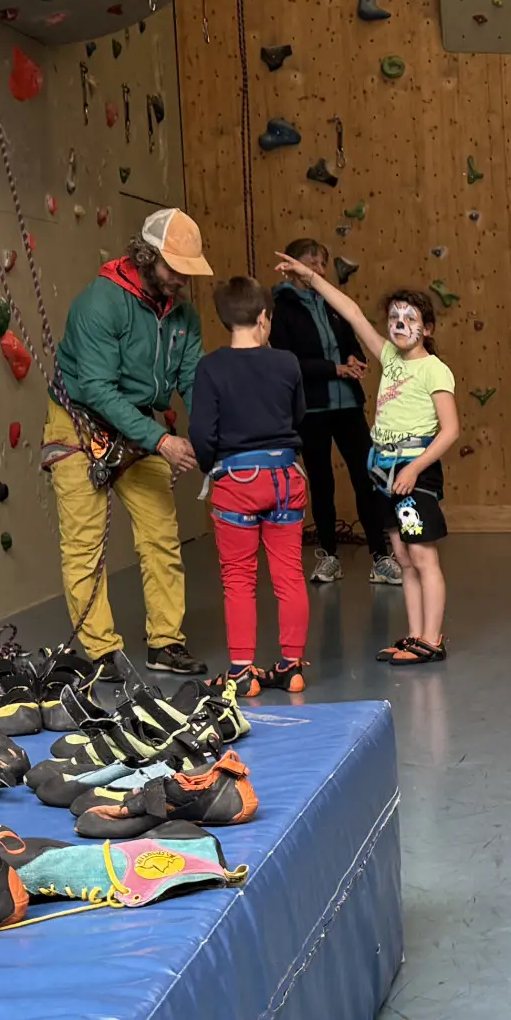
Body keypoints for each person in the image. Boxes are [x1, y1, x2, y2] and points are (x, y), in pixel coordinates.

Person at [47, 207, 208, 677]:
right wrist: (162, 441)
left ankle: (166, 643)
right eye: (173, 267)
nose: (181, 278)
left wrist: (209, 439)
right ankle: (101, 652)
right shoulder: (100, 303)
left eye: (187, 270)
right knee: (84, 545)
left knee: (161, 535)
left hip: (137, 421)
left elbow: (193, 381)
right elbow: (97, 389)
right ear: (146, 255)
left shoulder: (184, 316)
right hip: (78, 420)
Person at [280, 259, 457, 667]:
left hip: (414, 475)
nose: (400, 325)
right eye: (394, 318)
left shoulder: (434, 370)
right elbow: (353, 313)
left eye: (410, 319)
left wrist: (414, 469)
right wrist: (313, 279)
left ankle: (433, 639)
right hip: (385, 475)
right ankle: (416, 635)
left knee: (423, 557)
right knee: (404, 558)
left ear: (427, 328)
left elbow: (450, 430)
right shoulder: (390, 359)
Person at [186, 277, 312, 691]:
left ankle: (242, 672)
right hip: (284, 477)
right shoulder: (287, 363)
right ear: (263, 317)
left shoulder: (210, 367)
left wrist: (211, 465)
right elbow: (298, 415)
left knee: (239, 579)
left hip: (237, 481)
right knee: (289, 575)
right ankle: (291, 667)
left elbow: (202, 432)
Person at [271, 238, 396, 590]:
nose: (319, 270)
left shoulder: (333, 303)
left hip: (349, 406)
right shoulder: (281, 308)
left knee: (367, 478)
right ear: (292, 267)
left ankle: (380, 556)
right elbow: (287, 361)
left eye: (322, 263)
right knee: (322, 483)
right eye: (311, 263)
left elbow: (353, 344)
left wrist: (355, 360)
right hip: (311, 409)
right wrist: (333, 369)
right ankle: (328, 556)